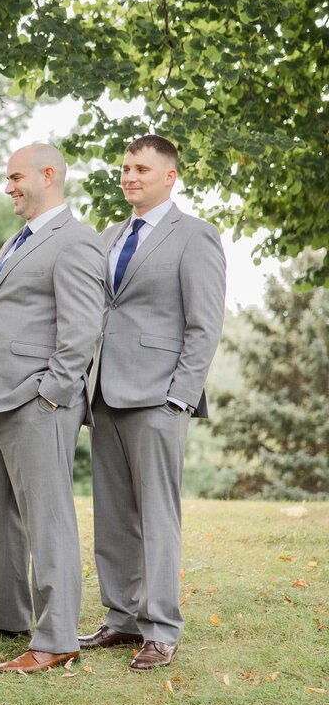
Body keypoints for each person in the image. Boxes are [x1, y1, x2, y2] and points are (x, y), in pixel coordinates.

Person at [0, 144, 104, 673]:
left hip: (36, 402)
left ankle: (58, 636)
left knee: (48, 519)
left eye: (15, 176)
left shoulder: (78, 241)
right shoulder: (19, 240)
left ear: (48, 175)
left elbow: (81, 328)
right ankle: (8, 611)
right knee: (2, 513)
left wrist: (52, 393)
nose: (8, 186)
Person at [80, 135, 226, 671]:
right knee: (113, 515)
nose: (129, 176)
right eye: (124, 168)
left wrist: (179, 399)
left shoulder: (196, 237)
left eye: (141, 168)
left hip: (159, 398)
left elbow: (203, 325)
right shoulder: (108, 236)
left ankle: (161, 629)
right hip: (103, 395)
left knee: (157, 517)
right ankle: (122, 619)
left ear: (170, 175)